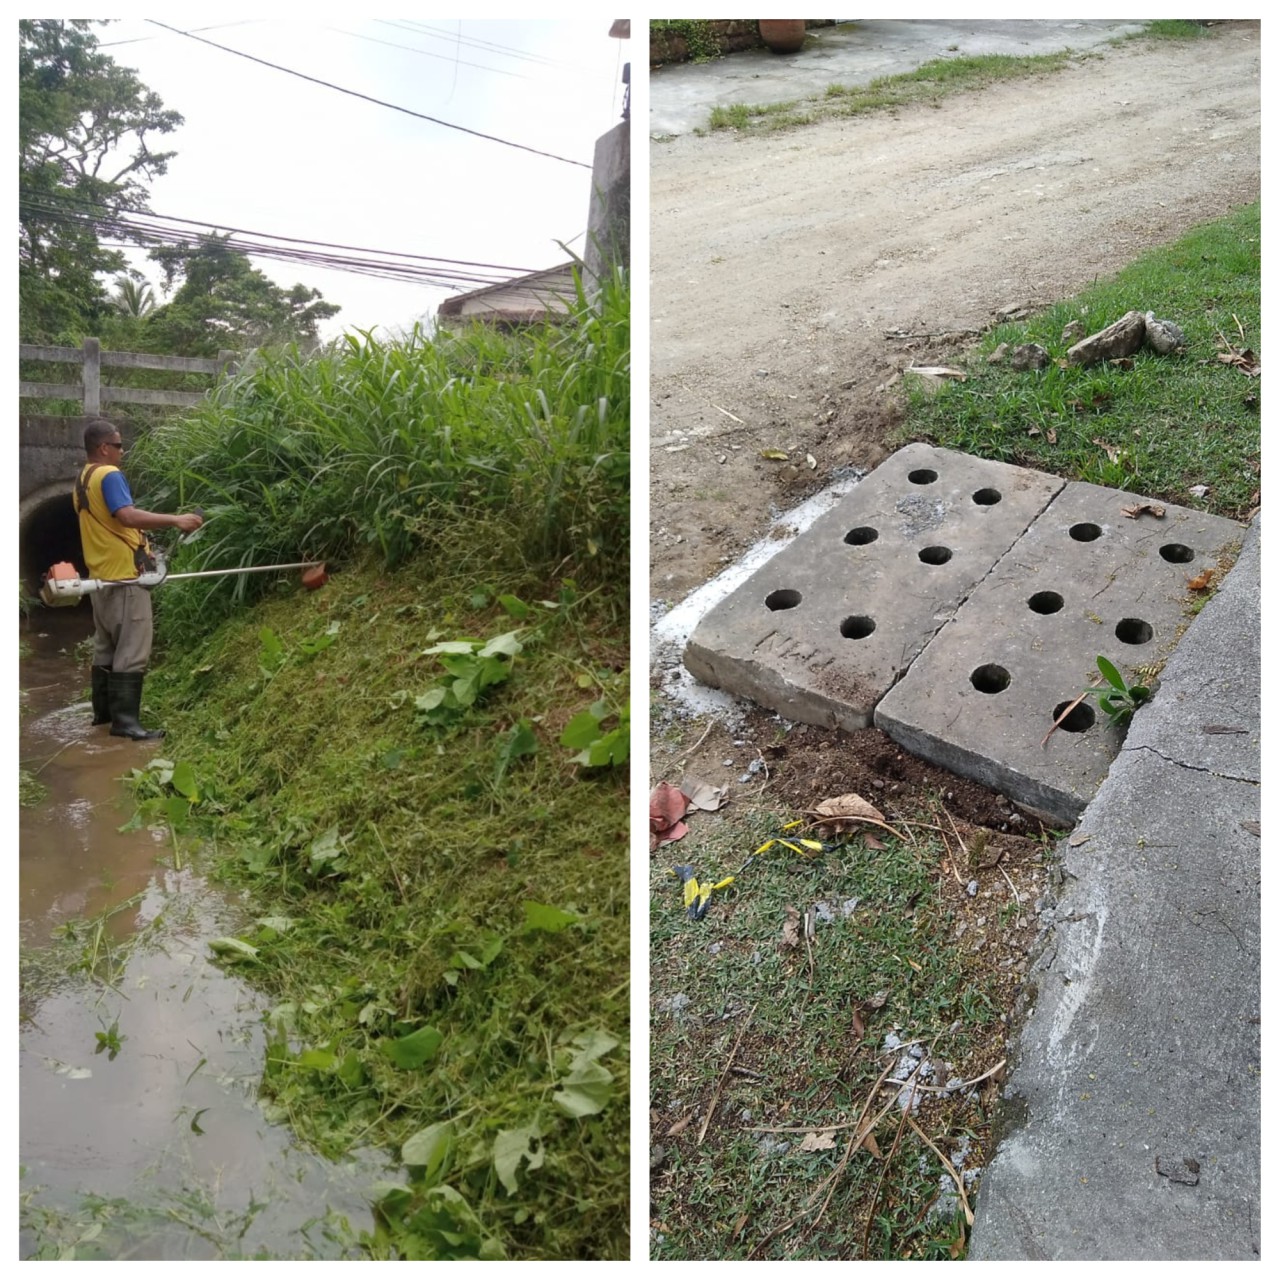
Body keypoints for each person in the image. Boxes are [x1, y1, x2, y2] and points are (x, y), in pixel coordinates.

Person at [73, 417, 203, 740]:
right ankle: (127, 724)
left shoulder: (83, 479)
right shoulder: (110, 474)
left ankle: (103, 718)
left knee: (105, 650)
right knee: (132, 650)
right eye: (118, 445)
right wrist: (176, 520)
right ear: (103, 448)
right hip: (126, 582)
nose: (122, 451)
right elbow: (126, 515)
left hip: (101, 581)